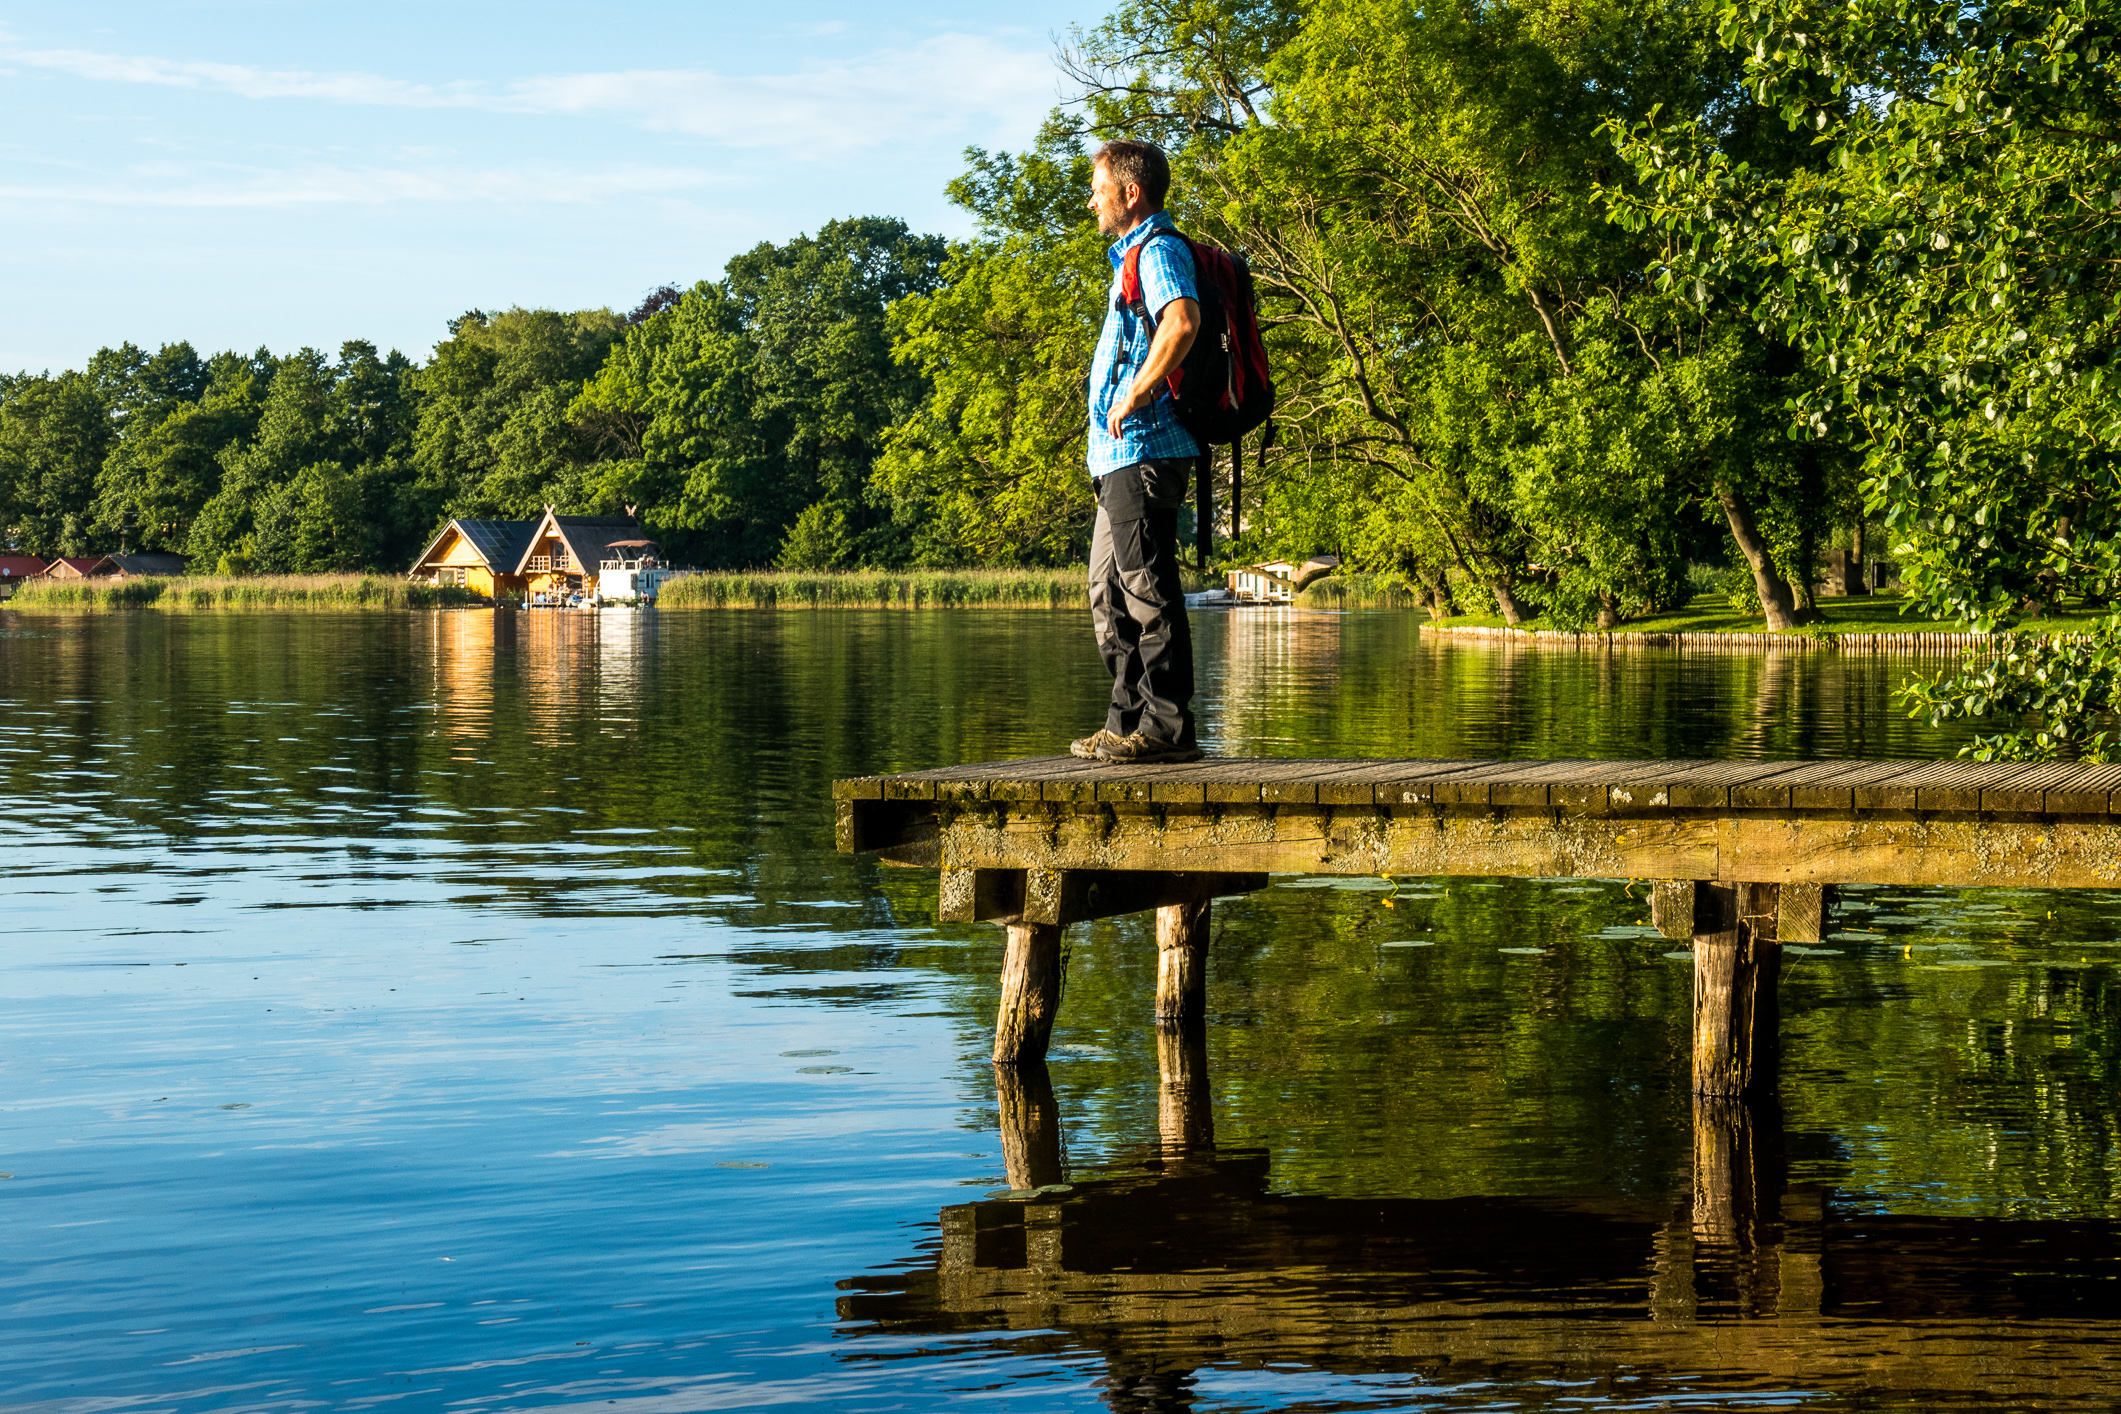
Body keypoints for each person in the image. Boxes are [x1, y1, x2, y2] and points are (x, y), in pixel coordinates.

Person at [1071, 139, 1204, 765]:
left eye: (1098, 187)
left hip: (1145, 449)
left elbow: (1181, 322)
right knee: (1108, 593)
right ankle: (1126, 723)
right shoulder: (1129, 256)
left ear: (1131, 192)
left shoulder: (1158, 249)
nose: (1091, 199)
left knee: (1146, 589)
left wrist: (1134, 394)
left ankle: (1169, 730)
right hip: (1117, 459)